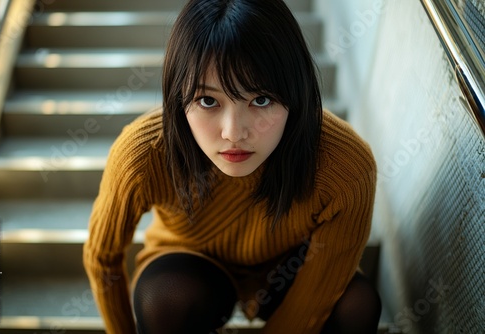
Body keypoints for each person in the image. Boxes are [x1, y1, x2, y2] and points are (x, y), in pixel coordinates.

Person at [83, 0, 382, 333]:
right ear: (177, 96)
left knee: (357, 305)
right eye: (208, 101)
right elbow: (102, 257)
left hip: (289, 262)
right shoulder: (143, 154)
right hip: (188, 259)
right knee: (165, 299)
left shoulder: (345, 165)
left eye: (261, 99)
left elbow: (323, 287)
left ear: (296, 93)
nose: (233, 133)